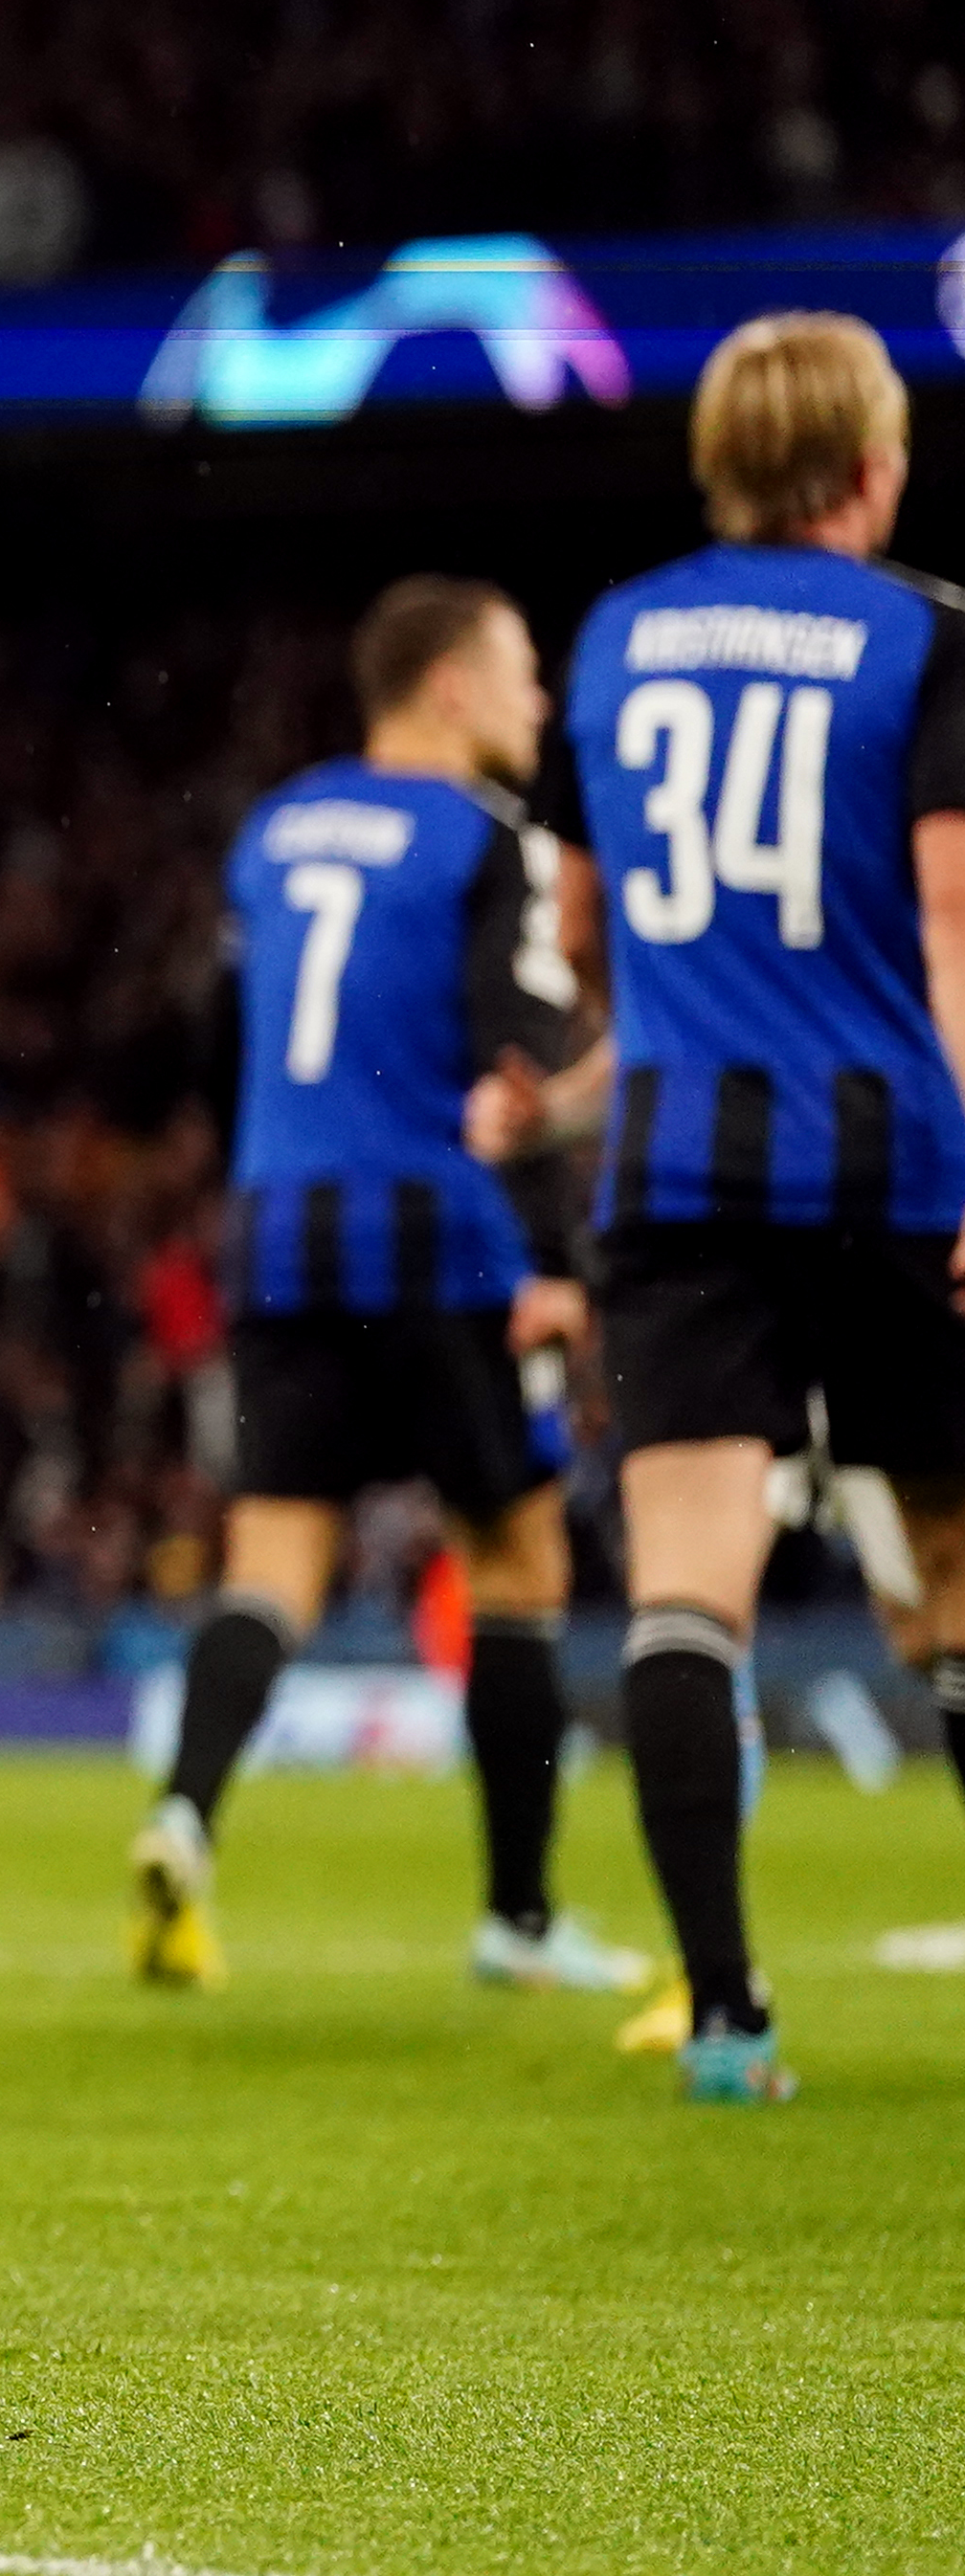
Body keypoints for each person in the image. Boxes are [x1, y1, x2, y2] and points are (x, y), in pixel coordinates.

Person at [486, 310, 965, 2104]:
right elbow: (951, 931)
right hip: (885, 1167)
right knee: (950, 1571)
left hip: (675, 1174)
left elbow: (591, 933)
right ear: (870, 463)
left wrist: (568, 1093)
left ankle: (724, 2018)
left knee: (688, 1594)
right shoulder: (924, 637)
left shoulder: (614, 637)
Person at [123, 579, 643, 2003]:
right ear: (451, 687)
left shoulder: (276, 828)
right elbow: (517, 1073)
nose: (540, 701)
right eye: (522, 671)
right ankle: (519, 1919)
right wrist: (553, 1263)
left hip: (278, 1224)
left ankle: (184, 1813)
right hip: (437, 1228)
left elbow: (219, 1045)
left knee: (273, 1561)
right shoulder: (488, 840)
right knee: (519, 1559)